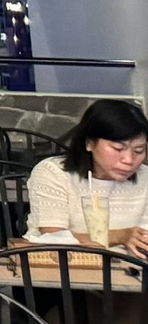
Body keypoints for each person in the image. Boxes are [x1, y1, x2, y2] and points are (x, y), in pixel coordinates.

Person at [28, 98, 148, 252]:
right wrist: (120, 236)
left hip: (130, 265)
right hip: (66, 264)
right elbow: (53, 238)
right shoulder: (54, 173)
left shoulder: (145, 178)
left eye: (138, 150)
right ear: (90, 143)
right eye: (118, 149)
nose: (129, 160)